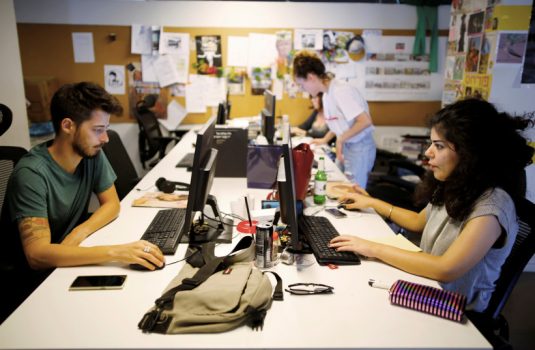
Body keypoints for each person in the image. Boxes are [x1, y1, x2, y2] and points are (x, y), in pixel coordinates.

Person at [330, 98, 534, 312]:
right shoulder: (460, 184)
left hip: (454, 308)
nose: (428, 152)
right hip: (427, 285)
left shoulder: (492, 206)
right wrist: (371, 202)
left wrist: (372, 248)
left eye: (438, 146)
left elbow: (445, 269)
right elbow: (420, 221)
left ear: (469, 153)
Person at [5, 82, 165, 278]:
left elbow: (112, 204)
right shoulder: (31, 174)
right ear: (67, 126)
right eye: (98, 130)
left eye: (106, 128)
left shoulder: (91, 154)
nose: (105, 138)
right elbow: (37, 255)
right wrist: (117, 252)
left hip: (67, 257)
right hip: (30, 279)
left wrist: (79, 232)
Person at [293, 50, 376, 188]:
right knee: (338, 185)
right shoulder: (326, 94)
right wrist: (325, 140)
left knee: (354, 194)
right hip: (346, 147)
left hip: (359, 149)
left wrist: (341, 139)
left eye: (302, 84)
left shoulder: (340, 91)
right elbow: (339, 123)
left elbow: (365, 121)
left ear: (311, 77)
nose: (303, 89)